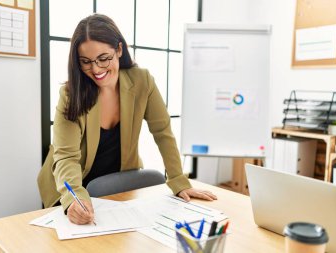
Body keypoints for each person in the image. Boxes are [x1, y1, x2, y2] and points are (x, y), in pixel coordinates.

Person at [37, 13, 217, 225]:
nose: (96, 69)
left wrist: (179, 181)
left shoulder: (142, 81)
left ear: (119, 50)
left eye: (103, 58)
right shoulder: (71, 93)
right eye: (86, 61)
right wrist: (73, 199)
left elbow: (163, 133)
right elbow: (66, 156)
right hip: (71, 187)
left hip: (118, 187)